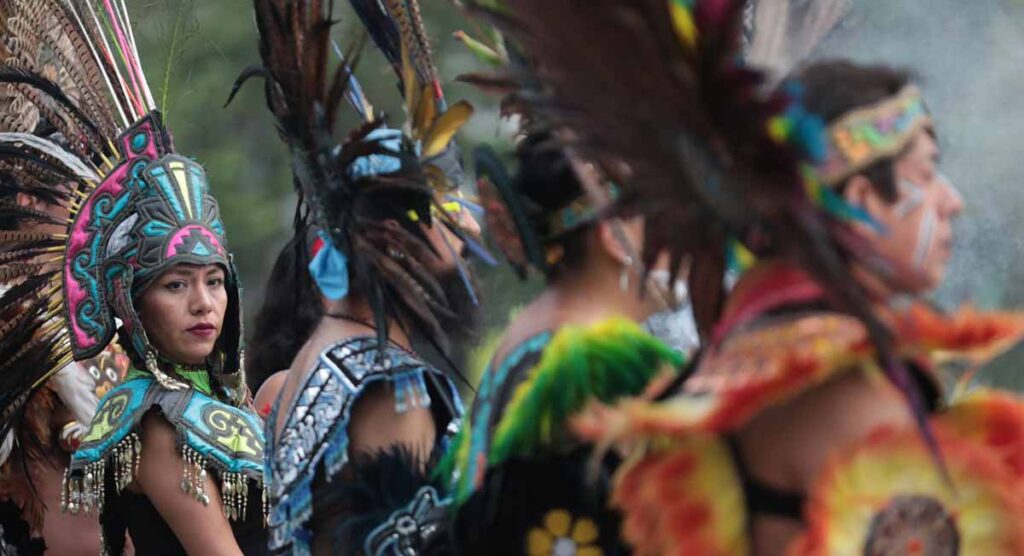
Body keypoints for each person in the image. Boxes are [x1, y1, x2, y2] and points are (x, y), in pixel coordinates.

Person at [483, 0, 1024, 553]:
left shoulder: (766, 350)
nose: (952, 201)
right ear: (862, 199)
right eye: (927, 174)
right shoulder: (841, 390)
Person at [0, 1, 266, 554]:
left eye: (214, 281)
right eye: (176, 284)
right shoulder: (146, 412)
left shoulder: (199, 388)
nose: (203, 302)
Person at [244, 0, 485, 553]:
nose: (469, 231)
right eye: (446, 216)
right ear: (396, 239)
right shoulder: (390, 385)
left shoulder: (324, 355)